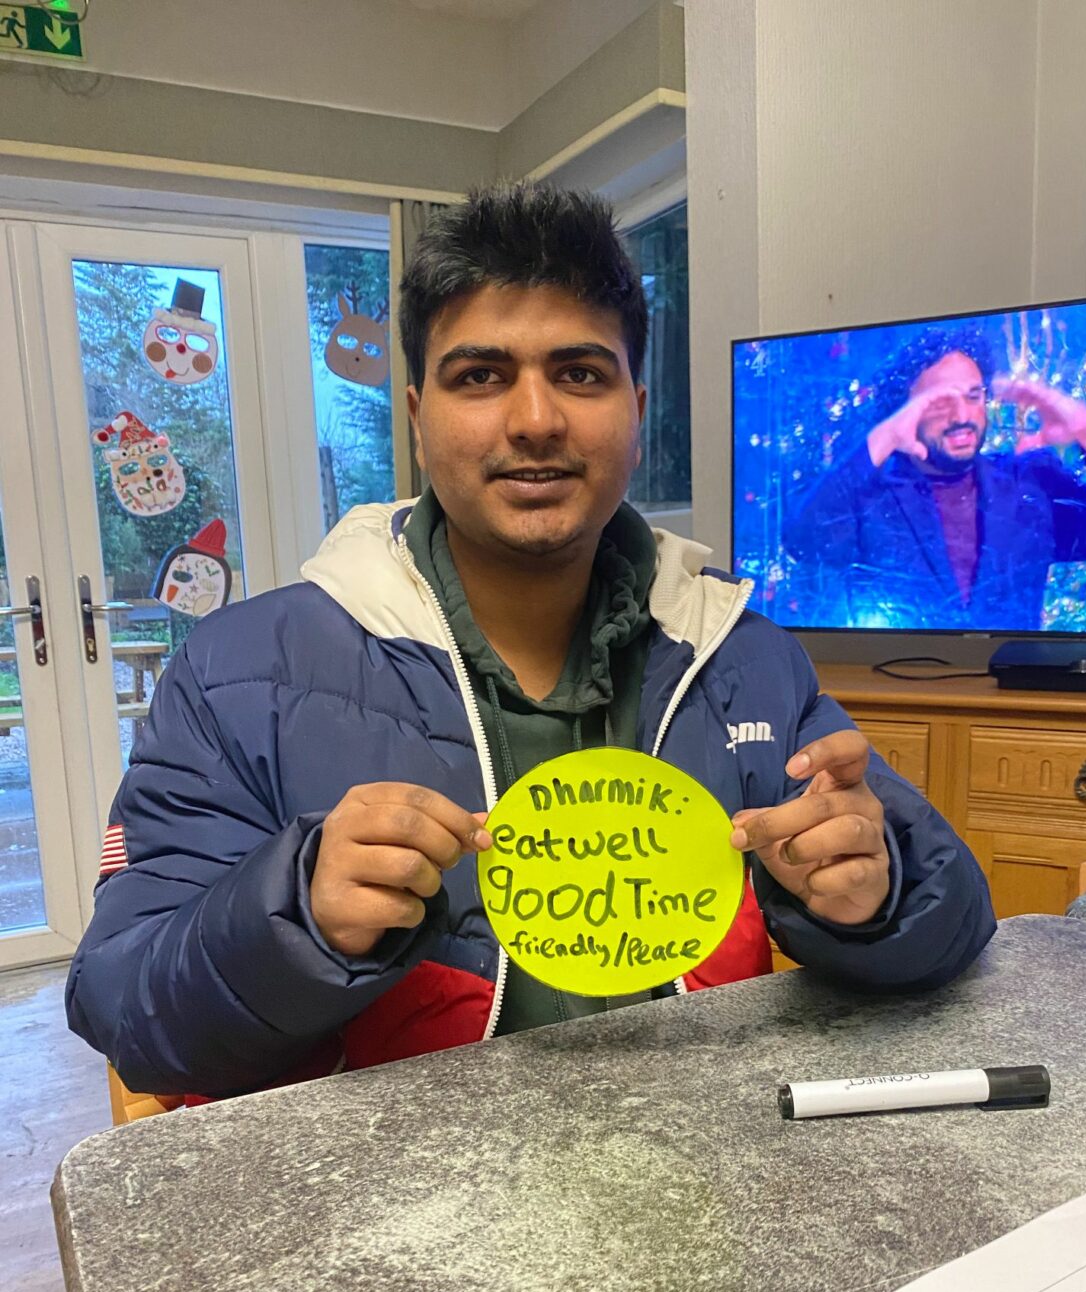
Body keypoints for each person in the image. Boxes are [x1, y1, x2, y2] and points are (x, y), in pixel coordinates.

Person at [65, 184, 995, 1100]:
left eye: (580, 374)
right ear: (418, 418)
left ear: (636, 409)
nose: (537, 420)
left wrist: (876, 897)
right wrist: (299, 913)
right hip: (402, 1183)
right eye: (480, 376)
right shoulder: (237, 676)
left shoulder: (741, 657)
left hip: (713, 1159)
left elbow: (956, 920)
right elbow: (126, 1009)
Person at [788, 326, 1086, 629]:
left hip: (1012, 686)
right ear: (903, 410)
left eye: (973, 395)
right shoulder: (870, 494)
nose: (962, 416)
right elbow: (804, 543)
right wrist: (883, 438)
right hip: (898, 682)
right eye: (940, 401)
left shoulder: (1030, 483)